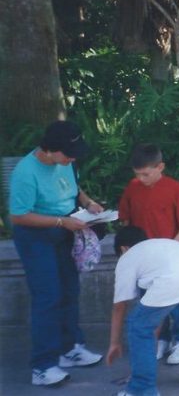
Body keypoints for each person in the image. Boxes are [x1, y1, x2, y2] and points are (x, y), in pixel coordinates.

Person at [9, 120, 104, 386]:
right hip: (36, 237)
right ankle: (43, 365)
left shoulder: (67, 161)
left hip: (65, 230)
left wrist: (88, 203)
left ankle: (70, 348)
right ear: (49, 150)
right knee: (47, 297)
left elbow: (75, 188)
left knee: (69, 290)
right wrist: (61, 222)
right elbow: (19, 216)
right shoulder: (26, 173)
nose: (73, 159)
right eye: (68, 154)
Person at [107, 226, 179, 396]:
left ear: (123, 248)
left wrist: (114, 343)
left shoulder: (128, 257)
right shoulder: (157, 246)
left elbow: (119, 306)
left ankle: (142, 389)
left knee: (138, 327)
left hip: (173, 278)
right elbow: (154, 312)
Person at [118, 143, 179, 365]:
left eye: (146, 174)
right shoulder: (132, 187)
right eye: (138, 174)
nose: (142, 179)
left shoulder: (174, 188)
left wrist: (174, 246)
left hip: (171, 255)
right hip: (144, 256)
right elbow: (126, 219)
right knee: (149, 300)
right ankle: (160, 339)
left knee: (177, 303)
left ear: (160, 167)